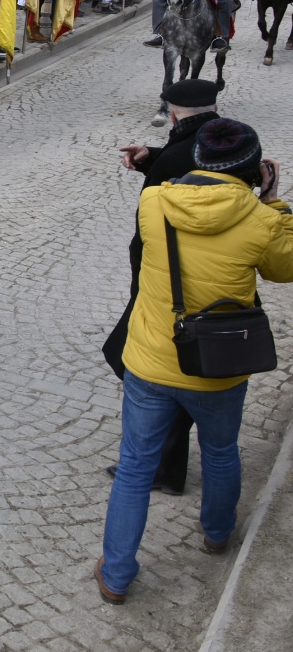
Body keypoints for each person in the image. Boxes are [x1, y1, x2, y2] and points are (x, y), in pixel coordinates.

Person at [97, 118, 293, 605]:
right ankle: (217, 533)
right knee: (222, 451)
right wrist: (273, 202)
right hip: (219, 365)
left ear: (199, 160)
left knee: (135, 468)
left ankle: (117, 574)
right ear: (252, 168)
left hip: (149, 360)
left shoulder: (153, 203)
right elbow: (285, 268)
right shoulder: (261, 220)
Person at [103, 79, 222, 496]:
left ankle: (160, 467)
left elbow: (149, 226)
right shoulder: (220, 141)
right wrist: (151, 156)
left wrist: (156, 163)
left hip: (169, 282)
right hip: (211, 282)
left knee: (143, 366)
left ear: (172, 112)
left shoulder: (177, 157)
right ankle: (170, 464)